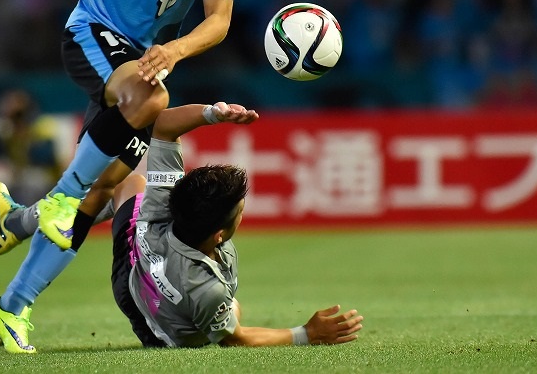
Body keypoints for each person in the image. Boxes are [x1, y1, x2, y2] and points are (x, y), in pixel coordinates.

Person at [0, 0, 238, 351]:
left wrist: (175, 50)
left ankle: (12, 292)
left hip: (146, 59)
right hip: (92, 36)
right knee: (150, 100)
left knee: (102, 190)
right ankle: (55, 199)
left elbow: (219, 20)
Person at [110, 101, 364, 348]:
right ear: (218, 235)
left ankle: (84, 212)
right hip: (157, 325)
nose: (242, 211)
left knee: (130, 184)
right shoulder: (206, 289)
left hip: (136, 258)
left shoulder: (164, 202)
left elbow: (163, 125)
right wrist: (307, 334)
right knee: (233, 309)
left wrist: (213, 113)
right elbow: (235, 338)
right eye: (239, 211)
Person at [0, 89, 64, 208]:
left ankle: (29, 219)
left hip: (45, 176)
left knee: (32, 180)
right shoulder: (6, 129)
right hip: (17, 174)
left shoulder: (41, 125)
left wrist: (25, 138)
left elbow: (47, 157)